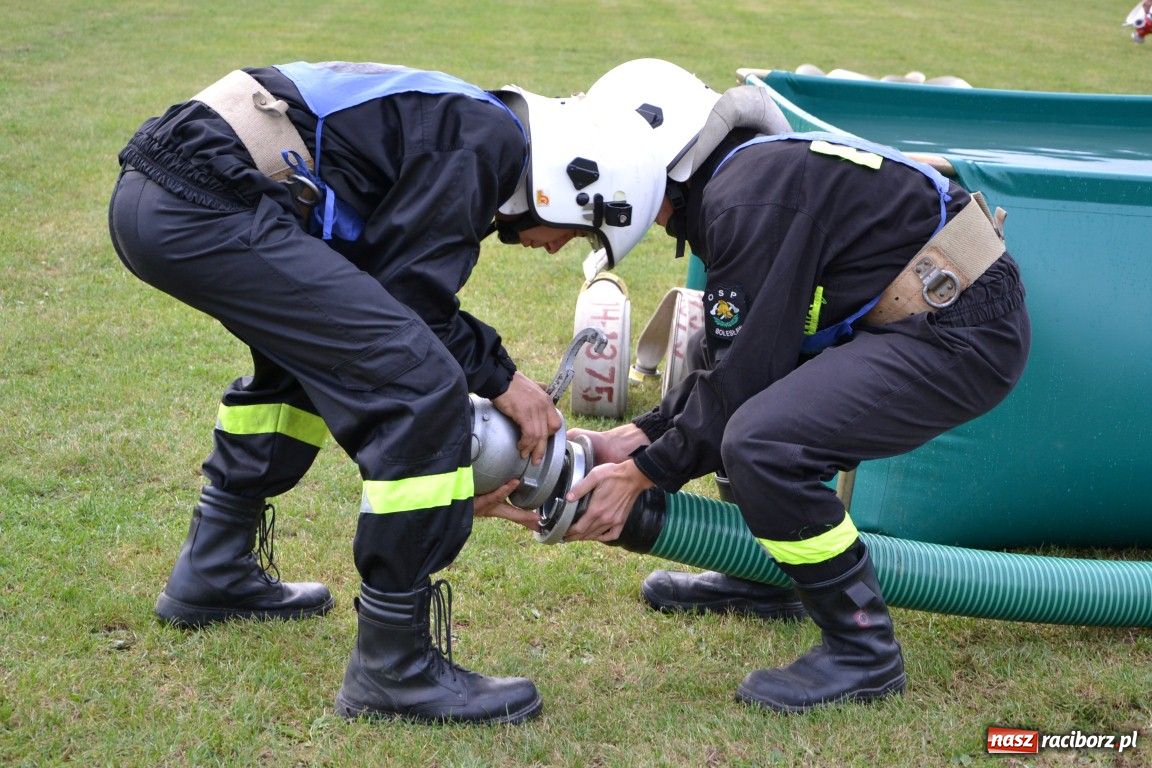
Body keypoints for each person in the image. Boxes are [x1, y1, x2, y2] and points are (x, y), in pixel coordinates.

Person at [481, 58, 1030, 713]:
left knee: (764, 440)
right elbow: (738, 359)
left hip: (958, 332)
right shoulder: (740, 182)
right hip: (928, 316)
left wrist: (642, 473)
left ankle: (863, 651)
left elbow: (742, 384)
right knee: (750, 414)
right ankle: (765, 577)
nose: (543, 243)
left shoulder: (748, 196)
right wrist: (638, 436)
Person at [106, 60, 624, 725]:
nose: (557, 250)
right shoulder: (486, 140)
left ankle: (214, 570)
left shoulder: (472, 124)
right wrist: (500, 381)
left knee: (302, 371)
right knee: (423, 390)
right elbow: (412, 301)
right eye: (581, 232)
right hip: (201, 201)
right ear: (571, 185)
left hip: (168, 197)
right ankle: (395, 667)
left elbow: (380, 280)